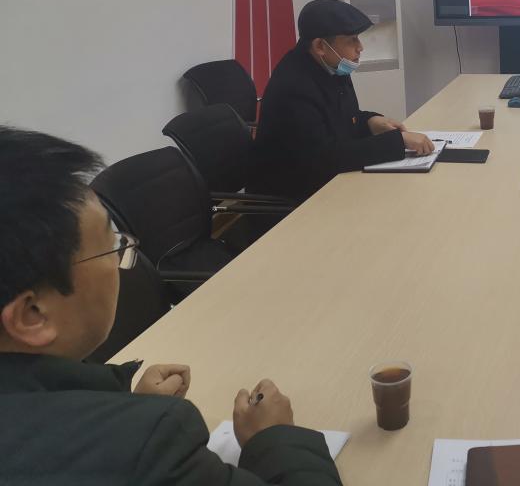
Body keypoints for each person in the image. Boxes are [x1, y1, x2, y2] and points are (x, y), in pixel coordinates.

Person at [0, 126, 342, 485]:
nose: (121, 259)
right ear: (32, 316)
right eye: (109, 246)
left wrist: (121, 405)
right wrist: (273, 439)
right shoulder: (151, 442)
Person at [251, 0, 434, 202]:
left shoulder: (331, 66)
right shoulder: (294, 88)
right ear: (320, 46)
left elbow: (343, 121)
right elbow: (326, 159)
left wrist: (370, 122)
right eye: (351, 40)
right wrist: (398, 142)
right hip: (291, 201)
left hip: (325, 184)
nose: (360, 47)